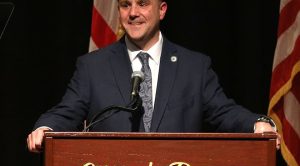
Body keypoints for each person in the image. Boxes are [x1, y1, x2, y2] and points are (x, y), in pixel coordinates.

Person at [27, 0, 280, 152]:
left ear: (162, 10)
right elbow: (66, 111)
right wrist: (45, 128)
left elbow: (224, 112)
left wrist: (257, 122)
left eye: (143, 3)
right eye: (125, 5)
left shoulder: (194, 67)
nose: (133, 12)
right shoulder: (93, 66)